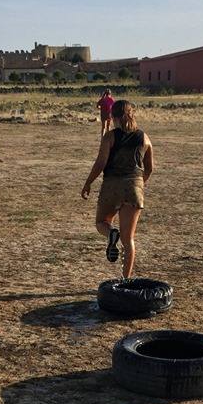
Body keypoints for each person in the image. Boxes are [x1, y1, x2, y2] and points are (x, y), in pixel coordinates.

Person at [81, 100, 153, 279]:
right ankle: (125, 280)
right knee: (128, 239)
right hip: (134, 186)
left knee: (101, 223)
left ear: (113, 116)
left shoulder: (110, 136)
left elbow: (101, 163)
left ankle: (111, 233)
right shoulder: (144, 137)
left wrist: (88, 182)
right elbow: (150, 168)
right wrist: (140, 183)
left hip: (112, 185)